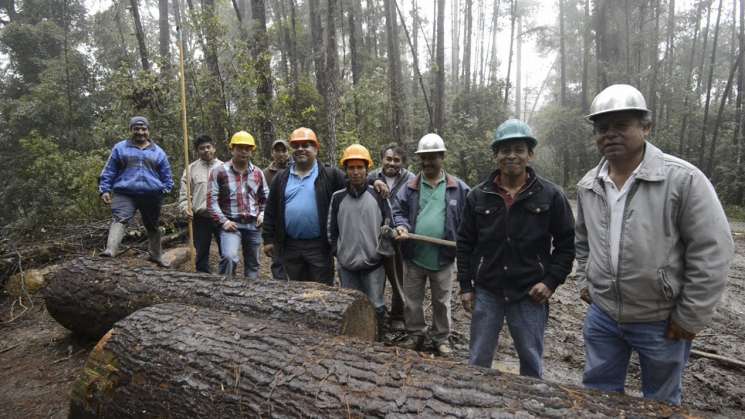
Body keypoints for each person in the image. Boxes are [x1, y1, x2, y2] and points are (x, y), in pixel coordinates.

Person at [576, 84, 734, 405]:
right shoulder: (589, 184)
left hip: (661, 321)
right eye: (602, 128)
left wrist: (690, 316)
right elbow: (583, 240)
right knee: (599, 396)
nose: (610, 134)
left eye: (621, 125)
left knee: (660, 402)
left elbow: (712, 251)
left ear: (646, 127)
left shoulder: (682, 179)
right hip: (604, 316)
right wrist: (585, 279)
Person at [457, 119, 575, 378]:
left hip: (529, 293)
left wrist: (550, 282)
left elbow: (566, 245)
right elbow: (465, 243)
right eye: (505, 150)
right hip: (488, 290)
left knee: (531, 363)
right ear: (496, 155)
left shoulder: (551, 195)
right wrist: (466, 286)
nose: (512, 155)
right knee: (478, 360)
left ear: (530, 155)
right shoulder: (478, 196)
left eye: (519, 149)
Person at [262, 127, 390, 286]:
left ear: (316, 148)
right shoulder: (281, 178)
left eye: (306, 145)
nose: (300, 149)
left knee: (323, 291)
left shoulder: (329, 175)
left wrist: (374, 181)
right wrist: (268, 239)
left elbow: (353, 179)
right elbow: (270, 210)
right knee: (296, 290)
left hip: (319, 246)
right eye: (296, 145)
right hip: (290, 245)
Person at [392, 133, 470, 355]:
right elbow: (399, 212)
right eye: (423, 158)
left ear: (442, 156)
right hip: (414, 255)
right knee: (412, 300)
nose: (427, 162)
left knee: (442, 302)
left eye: (432, 157)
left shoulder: (459, 188)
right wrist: (402, 226)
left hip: (443, 258)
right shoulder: (410, 187)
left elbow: (469, 221)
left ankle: (440, 337)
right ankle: (415, 333)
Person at [328, 144, 391, 338]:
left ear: (367, 168)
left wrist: (380, 253)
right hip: (347, 265)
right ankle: (355, 344)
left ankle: (379, 340)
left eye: (360, 167)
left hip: (374, 264)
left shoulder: (378, 195)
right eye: (351, 168)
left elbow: (389, 224)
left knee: (377, 305)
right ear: (345, 170)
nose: (355, 172)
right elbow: (331, 230)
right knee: (350, 307)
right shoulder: (337, 198)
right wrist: (338, 252)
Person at [99, 116, 173, 267]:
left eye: (143, 129)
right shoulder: (120, 148)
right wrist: (104, 189)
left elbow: (167, 175)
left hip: (151, 194)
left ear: (148, 131)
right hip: (125, 193)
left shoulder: (158, 152)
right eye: (136, 129)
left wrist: (165, 189)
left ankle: (156, 255)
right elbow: (109, 170)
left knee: (152, 225)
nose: (140, 132)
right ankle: (110, 251)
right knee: (120, 219)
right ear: (131, 130)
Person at [207, 131, 268, 280]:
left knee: (253, 264)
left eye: (247, 148)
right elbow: (211, 201)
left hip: (253, 225)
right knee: (229, 257)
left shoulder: (258, 173)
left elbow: (266, 197)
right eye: (240, 147)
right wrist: (224, 221)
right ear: (232, 149)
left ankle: (251, 296)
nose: (244, 151)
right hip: (231, 224)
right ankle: (224, 290)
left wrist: (262, 213)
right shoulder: (219, 172)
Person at [368, 143, 415, 330]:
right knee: (375, 276)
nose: (392, 163)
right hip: (375, 235)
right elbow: (352, 180)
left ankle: (397, 316)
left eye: (397, 160)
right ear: (382, 159)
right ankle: (375, 314)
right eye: (389, 159)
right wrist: (373, 183)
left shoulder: (410, 179)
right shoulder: (372, 176)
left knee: (399, 277)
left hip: (400, 236)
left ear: (402, 162)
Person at [178, 134, 223, 273]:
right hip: (200, 217)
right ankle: (203, 281)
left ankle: (228, 279)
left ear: (214, 148)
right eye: (202, 148)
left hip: (222, 217)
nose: (206, 150)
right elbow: (185, 194)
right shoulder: (190, 168)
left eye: (208, 147)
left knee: (227, 252)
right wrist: (185, 208)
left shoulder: (224, 168)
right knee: (201, 253)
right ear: (197, 151)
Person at [263, 138, 291, 280]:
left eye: (283, 150)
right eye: (277, 151)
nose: (281, 154)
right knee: (278, 263)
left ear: (288, 152)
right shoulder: (265, 174)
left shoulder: (296, 170)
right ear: (272, 153)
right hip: (275, 226)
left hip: (292, 224)